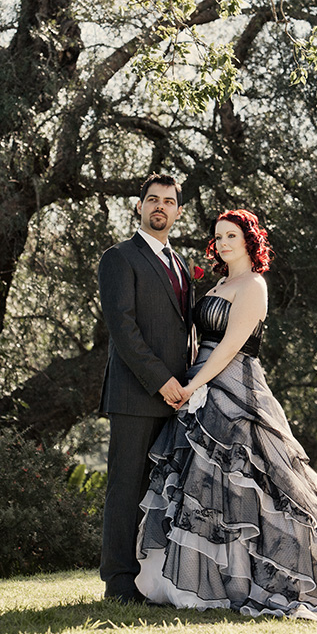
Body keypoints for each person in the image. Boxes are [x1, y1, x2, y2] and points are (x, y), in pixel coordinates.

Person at [135, 209, 317, 631]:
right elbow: (198, 339)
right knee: (206, 491)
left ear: (249, 241)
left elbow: (229, 347)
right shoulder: (219, 284)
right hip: (199, 388)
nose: (224, 243)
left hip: (234, 387)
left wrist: (194, 385)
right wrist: (186, 384)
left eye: (232, 236)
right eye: (219, 237)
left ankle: (253, 578)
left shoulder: (254, 285)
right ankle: (201, 582)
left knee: (248, 486)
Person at [98, 173, 195, 603]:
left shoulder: (179, 264)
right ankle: (118, 582)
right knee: (126, 489)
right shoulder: (119, 258)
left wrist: (188, 384)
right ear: (139, 207)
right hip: (136, 396)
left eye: (168, 201)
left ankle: (154, 580)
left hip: (177, 400)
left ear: (177, 210)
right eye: (152, 200)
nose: (160, 207)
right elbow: (124, 330)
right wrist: (162, 382)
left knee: (162, 492)